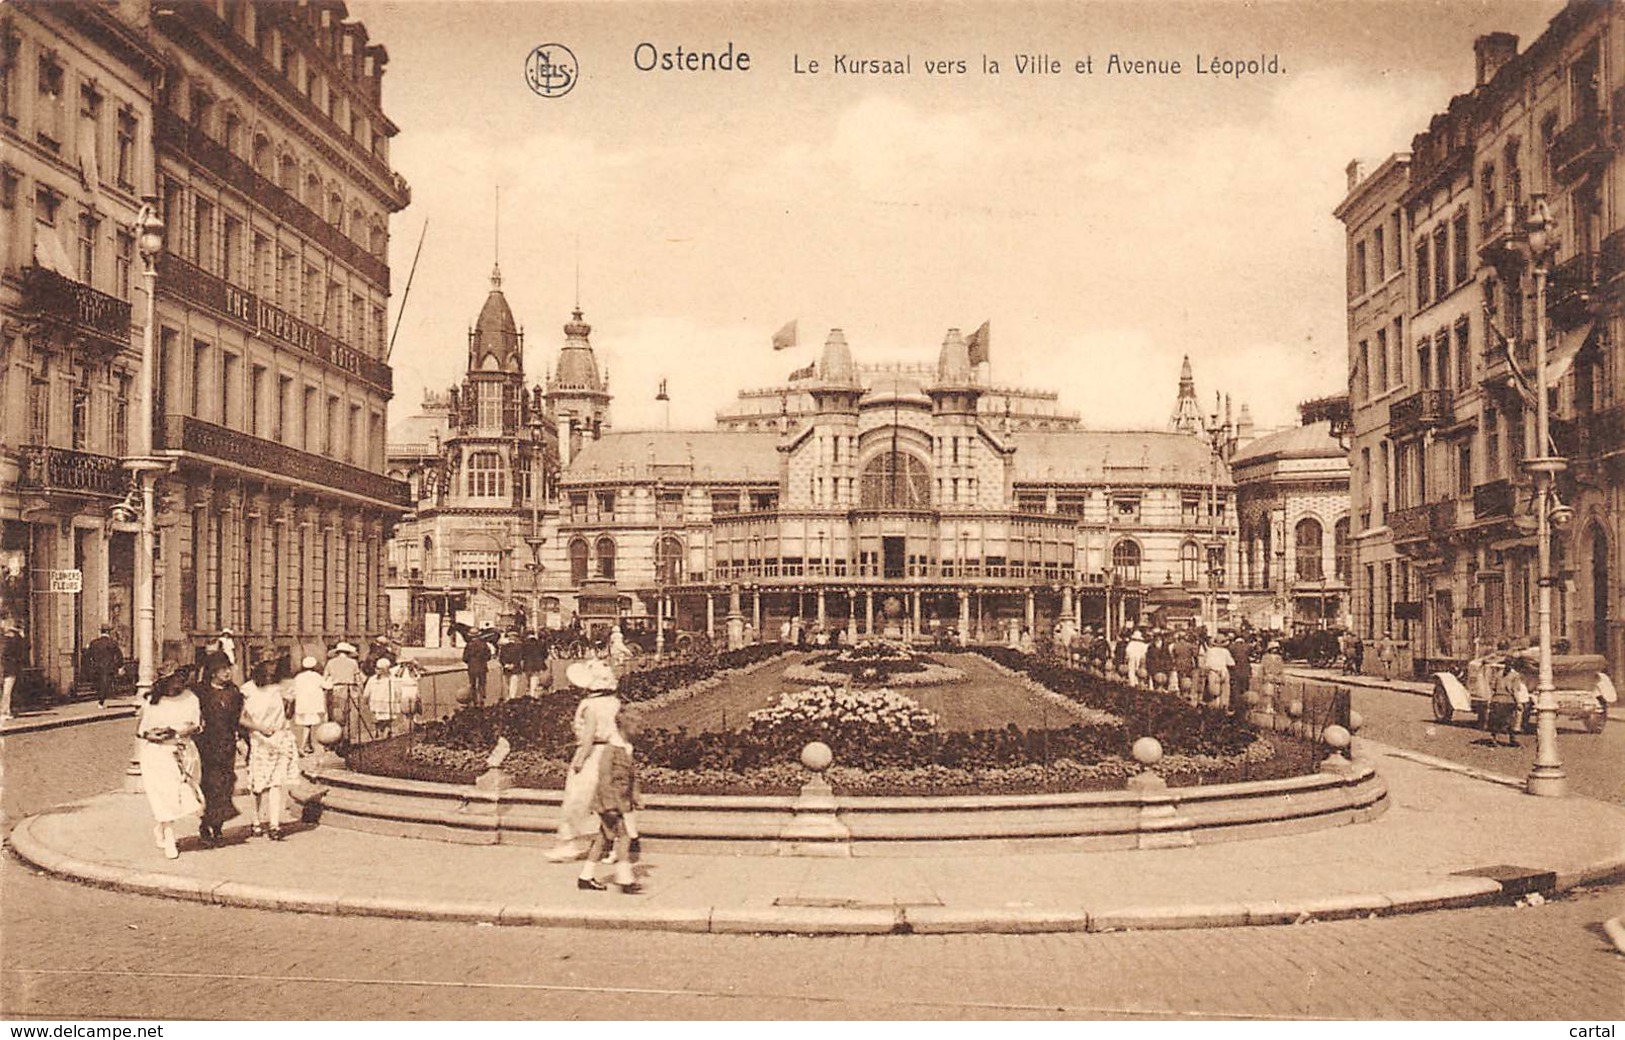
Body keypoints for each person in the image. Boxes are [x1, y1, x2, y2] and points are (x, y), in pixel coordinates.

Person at [545, 658, 627, 862]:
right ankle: (613, 845)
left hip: (592, 755)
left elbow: (589, 735)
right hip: (612, 753)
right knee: (607, 801)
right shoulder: (614, 702)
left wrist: (580, 759)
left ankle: (568, 843)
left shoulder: (590, 705)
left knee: (577, 799)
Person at [135, 648, 203, 859]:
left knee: (180, 795)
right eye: (175, 678)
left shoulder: (191, 698)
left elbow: (197, 725)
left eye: (182, 677)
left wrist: (178, 732)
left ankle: (161, 827)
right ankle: (170, 838)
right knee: (165, 794)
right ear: (164, 681)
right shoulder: (152, 701)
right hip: (158, 754)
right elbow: (141, 729)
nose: (179, 682)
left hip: (184, 751)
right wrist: (151, 735)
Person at [577, 709, 643, 894]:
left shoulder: (626, 747)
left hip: (621, 801)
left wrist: (635, 796)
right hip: (611, 802)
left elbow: (631, 776)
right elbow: (605, 779)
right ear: (625, 726)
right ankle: (624, 879)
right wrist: (610, 806)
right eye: (637, 726)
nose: (640, 730)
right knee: (624, 836)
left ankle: (585, 877)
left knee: (603, 838)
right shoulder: (611, 749)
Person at [240, 656, 298, 840]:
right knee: (257, 784)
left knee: (276, 783)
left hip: (279, 738)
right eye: (268, 665)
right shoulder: (248, 689)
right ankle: (256, 821)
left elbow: (288, 715)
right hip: (258, 739)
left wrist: (292, 702)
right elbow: (241, 718)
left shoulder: (279, 688)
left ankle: (274, 824)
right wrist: (259, 730)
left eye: (274, 665)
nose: (272, 670)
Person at [194, 651, 244, 846]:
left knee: (226, 785)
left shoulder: (233, 692)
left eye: (228, 668)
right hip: (206, 745)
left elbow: (237, 719)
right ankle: (207, 824)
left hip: (227, 745)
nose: (227, 672)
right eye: (222, 669)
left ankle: (217, 826)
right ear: (213, 672)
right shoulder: (200, 692)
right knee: (210, 785)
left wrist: (241, 740)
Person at [291, 655, 331, 754]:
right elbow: (327, 686)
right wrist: (330, 679)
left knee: (307, 724)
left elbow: (293, 689)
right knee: (308, 725)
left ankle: (308, 746)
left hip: (301, 703)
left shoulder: (298, 677)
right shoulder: (317, 676)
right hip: (313, 704)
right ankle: (302, 746)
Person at [324, 642, 363, 738]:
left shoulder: (331, 662)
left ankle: (336, 736)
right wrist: (361, 690)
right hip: (350, 688)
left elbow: (325, 678)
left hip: (336, 689)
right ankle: (348, 736)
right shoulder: (353, 663)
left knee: (336, 714)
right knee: (350, 714)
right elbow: (358, 679)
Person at [85, 625, 123, 707]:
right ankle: (101, 701)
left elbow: (87, 655)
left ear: (101, 632)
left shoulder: (94, 643)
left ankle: (100, 699)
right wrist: (119, 666)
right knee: (105, 684)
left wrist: (89, 666)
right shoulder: (112, 643)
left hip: (96, 667)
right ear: (108, 632)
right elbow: (119, 655)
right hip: (108, 667)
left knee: (98, 683)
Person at [364, 657, 400, 738]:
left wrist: (397, 700)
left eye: (379, 669)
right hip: (376, 703)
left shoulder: (392, 679)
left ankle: (386, 735)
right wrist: (366, 700)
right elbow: (367, 692)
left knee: (387, 721)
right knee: (378, 720)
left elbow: (398, 691)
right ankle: (380, 733)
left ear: (385, 669)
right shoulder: (372, 679)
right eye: (376, 668)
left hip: (388, 704)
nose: (376, 670)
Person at [1, 618, 27, 722]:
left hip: (8, 667)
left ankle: (6, 711)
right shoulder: (14, 638)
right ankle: (4, 711)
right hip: (9, 667)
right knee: (7, 691)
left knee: (6, 691)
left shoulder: (7, 638)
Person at [1204, 637, 1235, 709]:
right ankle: (1223, 707)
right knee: (1225, 691)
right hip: (1222, 671)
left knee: (1212, 692)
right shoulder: (1225, 651)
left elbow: (1206, 663)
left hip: (1213, 672)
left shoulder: (1210, 651)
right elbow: (1231, 663)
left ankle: (1213, 707)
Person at [463, 633, 492, 706]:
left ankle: (474, 699)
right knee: (482, 683)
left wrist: (470, 661)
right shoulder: (484, 645)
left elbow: (465, 658)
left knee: (472, 684)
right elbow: (488, 656)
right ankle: (481, 698)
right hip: (482, 667)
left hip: (472, 667)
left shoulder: (469, 645)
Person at [1228, 633, 1253, 715]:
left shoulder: (1231, 647)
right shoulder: (1247, 647)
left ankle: (1236, 706)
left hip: (1235, 671)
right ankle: (1245, 706)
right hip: (1246, 671)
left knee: (1235, 689)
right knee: (1245, 688)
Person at [498, 630, 525, 701]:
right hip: (515, 668)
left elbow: (501, 658)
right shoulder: (519, 647)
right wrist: (513, 665)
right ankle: (512, 698)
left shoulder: (504, 647)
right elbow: (520, 657)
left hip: (506, 668)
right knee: (513, 684)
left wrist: (505, 665)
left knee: (507, 684)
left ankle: (507, 697)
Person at [524, 630, 552, 697]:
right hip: (538, 664)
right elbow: (545, 654)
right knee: (534, 679)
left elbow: (522, 655)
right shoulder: (540, 643)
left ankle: (531, 691)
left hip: (527, 664)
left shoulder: (524, 643)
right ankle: (533, 694)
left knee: (529, 679)